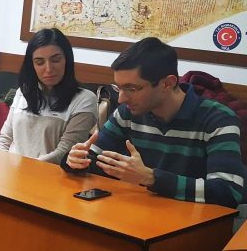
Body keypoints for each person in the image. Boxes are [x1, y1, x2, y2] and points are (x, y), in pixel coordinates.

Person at [64, 37, 244, 207]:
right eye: (119, 88)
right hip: (140, 212)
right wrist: (75, 160)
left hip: (193, 222)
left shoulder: (217, 119)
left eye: (132, 88)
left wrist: (151, 178)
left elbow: (228, 191)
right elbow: (94, 160)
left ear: (168, 83)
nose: (121, 99)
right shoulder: (128, 113)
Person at [0, 28, 97, 163]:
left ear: (67, 60)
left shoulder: (85, 100)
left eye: (56, 60)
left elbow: (64, 153)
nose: (48, 69)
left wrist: (24, 169)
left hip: (49, 172)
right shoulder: (23, 92)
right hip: (10, 170)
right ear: (32, 65)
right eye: (39, 62)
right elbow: (5, 138)